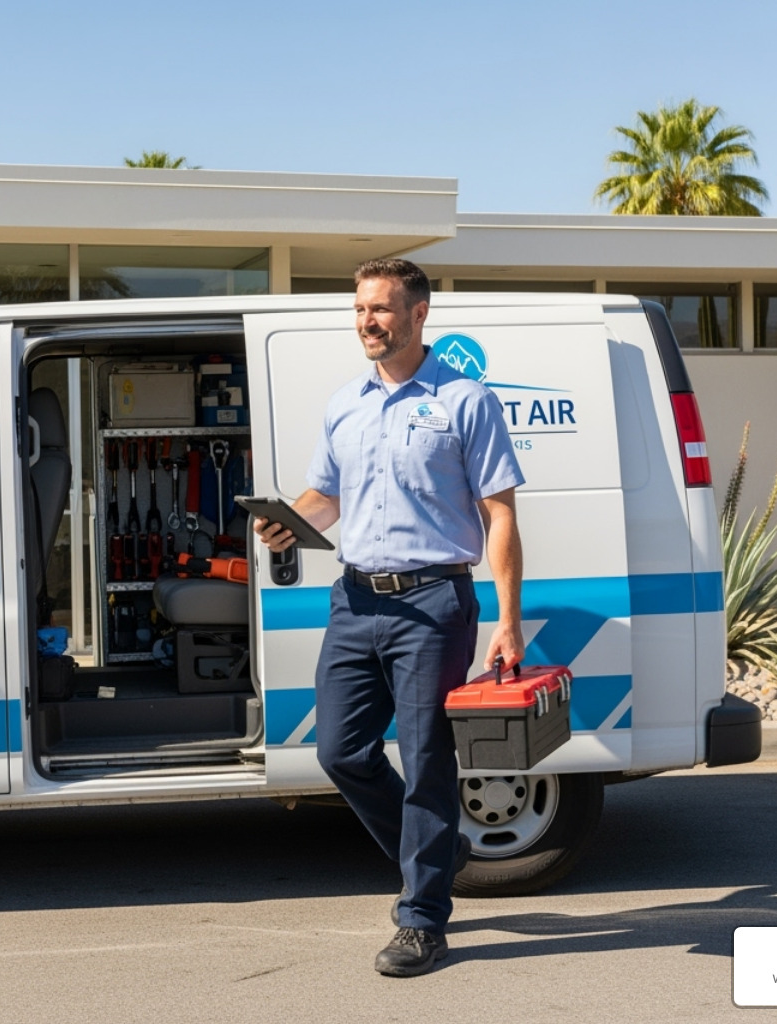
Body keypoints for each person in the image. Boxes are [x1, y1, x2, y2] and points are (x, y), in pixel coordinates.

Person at [255, 258, 525, 977]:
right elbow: (325, 497)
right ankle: (438, 852)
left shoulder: (467, 401)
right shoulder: (345, 403)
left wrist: (507, 618)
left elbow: (500, 513)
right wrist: (289, 522)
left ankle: (422, 918)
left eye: (380, 308)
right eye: (359, 309)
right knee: (339, 752)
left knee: (428, 758)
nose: (367, 321)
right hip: (354, 597)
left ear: (418, 314)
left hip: (433, 601)